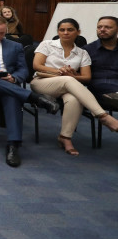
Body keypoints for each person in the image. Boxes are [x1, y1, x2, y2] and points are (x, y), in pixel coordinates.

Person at [0, 16, 61, 167]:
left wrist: (13, 78)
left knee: (12, 96)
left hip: (7, 85)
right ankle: (35, 98)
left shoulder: (15, 46)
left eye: (2, 33)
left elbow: (23, 69)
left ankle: (13, 145)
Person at [30, 18, 118, 155]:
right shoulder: (47, 44)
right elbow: (37, 66)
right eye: (62, 30)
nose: (65, 32)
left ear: (78, 32)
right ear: (58, 32)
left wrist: (72, 75)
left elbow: (86, 77)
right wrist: (61, 72)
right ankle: (102, 116)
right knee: (68, 80)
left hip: (68, 86)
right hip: (42, 82)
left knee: (74, 99)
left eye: (70, 30)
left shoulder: (82, 53)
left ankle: (65, 137)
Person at [85, 16, 118, 102]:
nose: (102, 30)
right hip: (99, 87)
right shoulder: (87, 50)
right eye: (99, 27)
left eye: (108, 27)